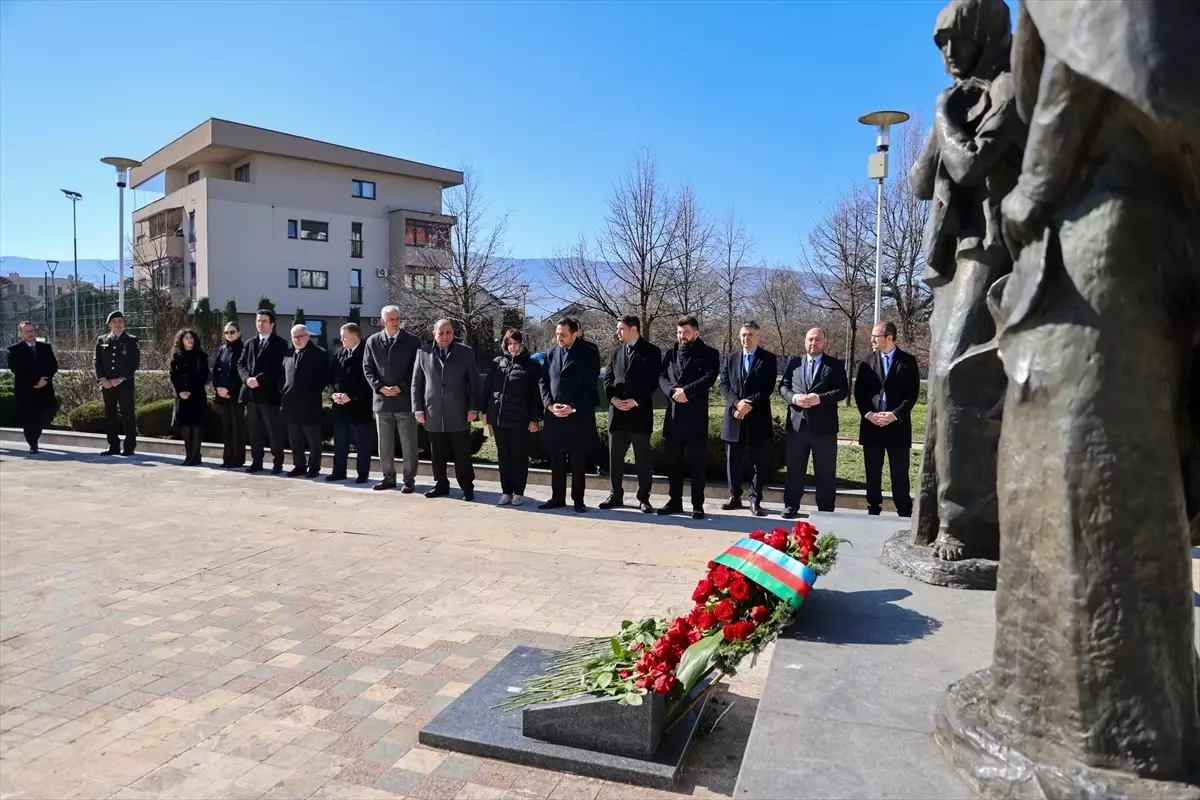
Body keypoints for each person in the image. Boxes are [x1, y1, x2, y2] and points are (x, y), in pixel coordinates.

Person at [779, 327, 848, 516]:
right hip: (796, 426)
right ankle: (791, 505)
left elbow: (842, 391)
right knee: (794, 469)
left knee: (825, 472)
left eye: (817, 340)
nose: (813, 343)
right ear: (804, 341)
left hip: (824, 428)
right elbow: (783, 387)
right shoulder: (794, 363)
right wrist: (794, 398)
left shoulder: (834, 365)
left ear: (824, 341)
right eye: (810, 339)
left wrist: (821, 398)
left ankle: (826, 508)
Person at [854, 321, 920, 516]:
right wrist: (869, 415)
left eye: (876, 336)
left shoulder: (908, 361)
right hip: (872, 426)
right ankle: (873, 508)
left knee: (899, 473)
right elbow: (860, 393)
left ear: (889, 337)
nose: (872, 339)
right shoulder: (866, 361)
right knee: (873, 472)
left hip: (897, 428)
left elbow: (912, 395)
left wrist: (894, 415)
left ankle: (904, 510)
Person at [658, 315, 720, 519]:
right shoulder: (671, 353)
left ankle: (697, 505)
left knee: (697, 464)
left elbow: (709, 377)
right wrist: (672, 391)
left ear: (696, 333)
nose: (681, 336)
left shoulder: (709, 353)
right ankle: (674, 501)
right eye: (679, 332)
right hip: (674, 416)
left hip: (696, 417)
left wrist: (688, 391)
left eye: (686, 332)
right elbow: (662, 376)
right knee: (673, 463)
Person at [412, 319, 480, 500]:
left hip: (459, 412)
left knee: (462, 453)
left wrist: (473, 408)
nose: (444, 336)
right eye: (440, 333)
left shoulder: (466, 353)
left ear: (453, 333)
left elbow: (474, 383)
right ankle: (441, 484)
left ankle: (467, 486)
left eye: (448, 332)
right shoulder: (423, 352)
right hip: (433, 413)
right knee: (437, 453)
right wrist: (418, 408)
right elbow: (416, 383)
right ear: (434, 333)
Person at [539, 317, 602, 512]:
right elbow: (543, 381)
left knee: (577, 460)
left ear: (575, 334)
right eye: (557, 334)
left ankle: (578, 500)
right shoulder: (551, 352)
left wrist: (572, 406)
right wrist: (549, 405)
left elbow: (590, 386)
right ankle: (557, 498)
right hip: (554, 416)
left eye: (563, 335)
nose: (559, 338)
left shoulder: (589, 352)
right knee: (556, 459)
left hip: (578, 415)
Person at [600, 315, 661, 513]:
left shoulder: (651, 352)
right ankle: (615, 494)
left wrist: (635, 401)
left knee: (642, 458)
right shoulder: (616, 352)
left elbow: (652, 381)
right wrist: (613, 400)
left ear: (633, 329)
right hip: (617, 414)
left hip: (639, 413)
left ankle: (644, 498)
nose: (618, 332)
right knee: (615, 457)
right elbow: (608, 379)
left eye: (621, 328)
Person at [719, 321, 778, 517]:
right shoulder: (730, 358)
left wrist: (749, 404)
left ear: (758, 336)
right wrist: (737, 403)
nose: (746, 338)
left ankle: (755, 499)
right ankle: (734, 496)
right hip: (734, 416)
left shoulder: (768, 359)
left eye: (750, 334)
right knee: (732, 460)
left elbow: (768, 387)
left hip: (757, 417)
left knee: (758, 461)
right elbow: (724, 386)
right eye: (743, 334)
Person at [362, 305, 421, 492]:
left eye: (397, 319)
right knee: (385, 445)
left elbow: (416, 369)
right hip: (382, 402)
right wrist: (379, 387)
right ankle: (388, 478)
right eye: (391, 320)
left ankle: (409, 479)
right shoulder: (372, 341)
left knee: (409, 444)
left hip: (404, 401)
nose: (395, 323)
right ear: (382, 321)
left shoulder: (412, 341)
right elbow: (367, 368)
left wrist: (401, 386)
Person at [481, 329, 542, 505]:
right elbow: (488, 388)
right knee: (503, 457)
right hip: (499, 417)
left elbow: (535, 395)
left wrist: (534, 418)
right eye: (509, 344)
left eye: (516, 343)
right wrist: (484, 411)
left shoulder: (532, 366)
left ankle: (518, 492)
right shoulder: (497, 363)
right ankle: (506, 491)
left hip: (519, 419)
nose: (513, 347)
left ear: (522, 344)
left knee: (519, 456)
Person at [238, 308, 287, 474]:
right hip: (251, 395)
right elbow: (241, 364)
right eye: (258, 321)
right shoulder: (250, 343)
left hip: (269, 394)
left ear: (272, 324)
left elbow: (276, 367)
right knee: (254, 431)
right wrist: (247, 379)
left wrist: (258, 379)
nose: (260, 324)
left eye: (264, 321)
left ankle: (277, 463)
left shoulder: (280, 343)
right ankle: (256, 462)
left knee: (273, 431)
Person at [328, 322, 374, 484]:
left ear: (355, 337)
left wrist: (352, 396)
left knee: (362, 444)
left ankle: (362, 474)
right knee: (340, 443)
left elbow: (369, 382)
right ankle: (338, 471)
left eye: (344, 337)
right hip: (340, 407)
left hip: (359, 407)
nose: (341, 340)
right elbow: (330, 378)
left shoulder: (366, 354)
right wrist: (333, 393)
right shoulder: (338, 353)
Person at [281, 324, 329, 477]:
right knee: (295, 438)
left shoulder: (319, 354)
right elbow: (282, 376)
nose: (298, 339)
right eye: (294, 337)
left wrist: (311, 392)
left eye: (301, 336)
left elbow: (323, 378)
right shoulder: (288, 354)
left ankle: (314, 467)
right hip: (291, 403)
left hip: (310, 403)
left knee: (313, 439)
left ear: (308, 336)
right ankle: (299, 465)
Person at [6, 321, 57, 453]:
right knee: (29, 418)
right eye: (27, 331)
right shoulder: (14, 350)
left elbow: (53, 365)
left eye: (32, 331)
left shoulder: (45, 347)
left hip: (44, 388)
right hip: (26, 390)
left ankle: (36, 437)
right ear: (21, 333)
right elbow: (17, 369)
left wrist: (45, 379)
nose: (30, 333)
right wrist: (35, 381)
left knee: (41, 417)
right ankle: (33, 443)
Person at [95, 310, 140, 456]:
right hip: (107, 384)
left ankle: (129, 446)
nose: (117, 324)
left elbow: (134, 363)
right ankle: (113, 445)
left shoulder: (131, 340)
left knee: (127, 414)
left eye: (120, 321)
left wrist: (119, 379)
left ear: (124, 323)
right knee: (110, 414)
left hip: (124, 384)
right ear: (109, 324)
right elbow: (97, 361)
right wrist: (102, 379)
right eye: (114, 321)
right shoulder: (102, 340)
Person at [169, 328, 210, 466]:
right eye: (186, 337)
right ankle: (188, 455)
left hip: (197, 396)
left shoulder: (201, 356)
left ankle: (195, 455)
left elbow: (205, 376)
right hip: (182, 398)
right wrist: (180, 391)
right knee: (185, 429)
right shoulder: (176, 357)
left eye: (191, 337)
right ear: (181, 341)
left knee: (197, 427)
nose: (189, 340)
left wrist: (191, 390)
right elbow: (173, 377)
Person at [211, 321, 246, 468]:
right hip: (222, 394)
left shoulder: (244, 349)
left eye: (232, 332)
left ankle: (237, 459)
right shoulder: (223, 348)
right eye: (226, 332)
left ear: (239, 333)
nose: (229, 335)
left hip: (236, 394)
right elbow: (216, 369)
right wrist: (218, 387)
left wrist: (229, 390)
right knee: (226, 427)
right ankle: (227, 458)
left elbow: (241, 372)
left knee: (237, 427)